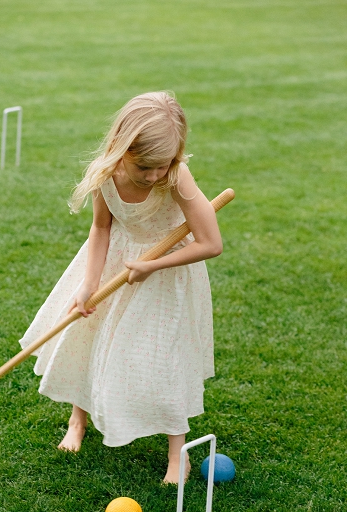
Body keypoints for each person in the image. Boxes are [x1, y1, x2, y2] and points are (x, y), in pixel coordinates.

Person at [19, 92, 223, 484]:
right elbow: (101, 227)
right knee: (88, 337)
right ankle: (77, 421)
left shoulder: (176, 177)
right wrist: (89, 284)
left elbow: (210, 243)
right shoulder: (105, 174)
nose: (153, 176)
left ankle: (178, 454)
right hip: (115, 261)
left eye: (162, 166)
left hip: (166, 275)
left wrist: (153, 264)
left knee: (164, 358)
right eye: (144, 166)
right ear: (121, 148)